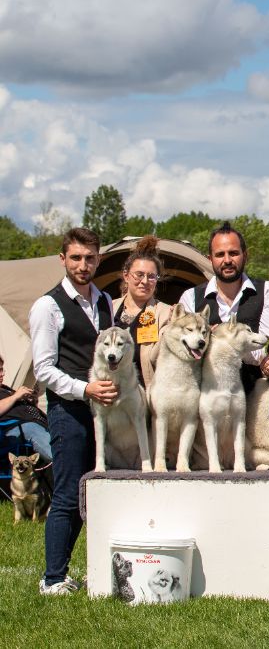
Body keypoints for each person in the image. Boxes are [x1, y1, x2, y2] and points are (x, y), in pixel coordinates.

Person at [29, 227, 115, 595]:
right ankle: (52, 579)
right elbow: (43, 369)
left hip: (105, 409)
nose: (83, 265)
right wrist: (85, 389)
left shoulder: (105, 301)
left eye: (90, 258)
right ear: (62, 259)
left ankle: (70, 573)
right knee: (66, 493)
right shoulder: (47, 306)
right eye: (76, 258)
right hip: (68, 409)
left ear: (98, 259)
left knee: (91, 492)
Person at [178, 222, 269, 390]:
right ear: (210, 259)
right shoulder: (190, 297)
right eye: (220, 254)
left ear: (245, 255)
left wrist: (218, 340)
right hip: (206, 398)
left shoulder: (266, 292)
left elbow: (268, 349)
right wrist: (245, 345)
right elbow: (184, 351)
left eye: (233, 253)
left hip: (256, 397)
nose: (227, 260)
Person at [111, 235, 173, 389]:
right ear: (126, 276)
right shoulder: (108, 308)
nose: (145, 281)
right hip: (111, 398)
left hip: (146, 399)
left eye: (151, 276)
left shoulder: (166, 314)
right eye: (139, 275)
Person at [1, 354, 52, 466]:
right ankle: (62, 463)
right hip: (8, 431)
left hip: (38, 424)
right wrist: (15, 396)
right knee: (31, 428)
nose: (3, 373)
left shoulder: (5, 389)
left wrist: (31, 401)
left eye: (2, 369)